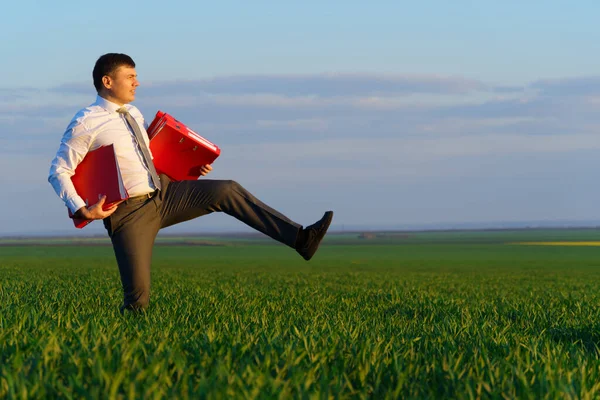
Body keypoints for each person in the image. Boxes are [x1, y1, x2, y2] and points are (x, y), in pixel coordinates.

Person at [48, 53, 333, 313]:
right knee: (137, 300)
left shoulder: (134, 114)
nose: (137, 83)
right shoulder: (86, 121)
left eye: (136, 76)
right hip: (129, 213)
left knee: (227, 190)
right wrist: (82, 209)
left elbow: (147, 161)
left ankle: (301, 239)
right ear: (107, 81)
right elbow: (58, 170)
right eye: (130, 77)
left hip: (165, 193)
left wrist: (189, 166)